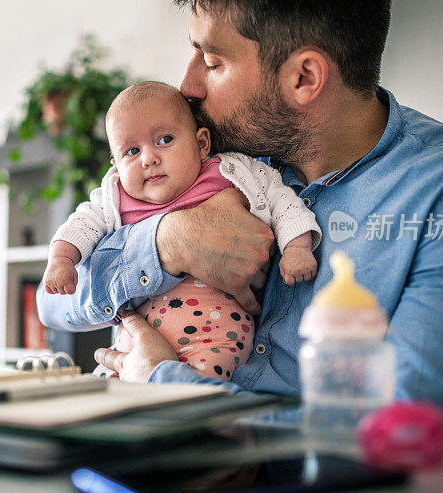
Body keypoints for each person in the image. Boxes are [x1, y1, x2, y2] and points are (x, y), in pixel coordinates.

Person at [37, 0, 443, 439]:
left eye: (212, 62)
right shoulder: (220, 163)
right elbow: (54, 305)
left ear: (303, 77)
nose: (188, 86)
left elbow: (413, 439)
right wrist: (168, 243)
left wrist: (165, 381)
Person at [43, 80, 321, 381]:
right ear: (116, 164)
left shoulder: (232, 173)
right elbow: (80, 224)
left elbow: (283, 201)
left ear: (201, 144)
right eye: (132, 151)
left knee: (194, 394)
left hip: (217, 339)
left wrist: (296, 247)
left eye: (164, 140)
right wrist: (62, 260)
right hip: (132, 348)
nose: (148, 159)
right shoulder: (113, 196)